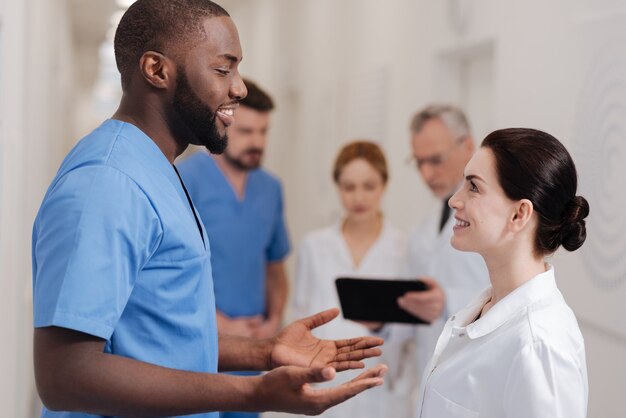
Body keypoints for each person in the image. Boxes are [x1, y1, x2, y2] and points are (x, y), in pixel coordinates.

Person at [31, 1, 386, 418]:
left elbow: (162, 338)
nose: (240, 88)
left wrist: (265, 352)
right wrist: (252, 395)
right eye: (223, 69)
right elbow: (65, 376)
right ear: (157, 70)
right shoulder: (107, 184)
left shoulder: (154, 168)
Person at [417, 128, 589, 417]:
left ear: (519, 214)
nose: (454, 200)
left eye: (473, 187)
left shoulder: (539, 345)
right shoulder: (483, 310)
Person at [176, 78, 289, 418]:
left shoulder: (271, 189)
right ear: (223, 123)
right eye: (247, 132)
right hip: (198, 340)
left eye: (264, 132)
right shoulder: (185, 178)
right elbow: (171, 271)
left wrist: (273, 321)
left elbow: (275, 266)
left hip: (252, 348)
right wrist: (217, 322)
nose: (257, 142)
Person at [292, 141, 415, 418]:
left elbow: (410, 331)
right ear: (338, 187)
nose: (359, 197)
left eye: (368, 186)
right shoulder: (314, 246)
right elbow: (301, 316)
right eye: (349, 187)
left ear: (384, 185)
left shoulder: (405, 249)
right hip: (324, 386)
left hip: (382, 391)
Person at [394, 105, 489, 377]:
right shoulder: (424, 228)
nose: (426, 174)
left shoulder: (496, 218)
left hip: (475, 370)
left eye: (435, 160)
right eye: (419, 162)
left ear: (468, 146)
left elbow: (513, 293)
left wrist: (447, 301)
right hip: (432, 371)